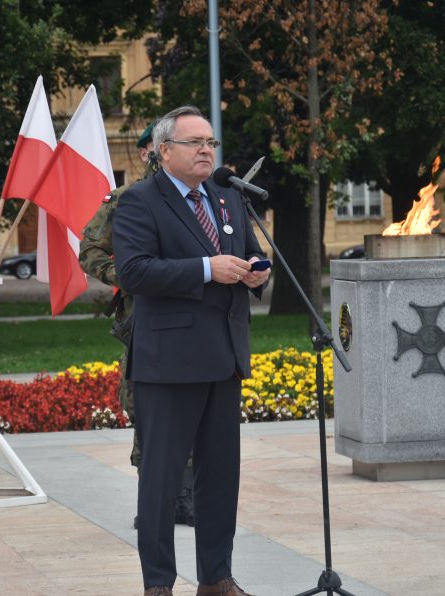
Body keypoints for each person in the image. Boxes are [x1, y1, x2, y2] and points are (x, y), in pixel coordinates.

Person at [112, 106, 270, 596]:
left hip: (223, 357)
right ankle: (158, 584)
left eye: (211, 143)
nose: (207, 151)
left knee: (220, 477)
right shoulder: (139, 201)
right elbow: (134, 272)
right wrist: (206, 268)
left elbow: (242, 257)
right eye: (195, 142)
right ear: (165, 152)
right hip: (169, 363)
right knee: (161, 481)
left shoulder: (226, 196)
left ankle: (216, 577)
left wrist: (255, 273)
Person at [79, 123, 196, 527]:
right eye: (153, 149)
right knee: (147, 411)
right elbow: (90, 249)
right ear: (150, 153)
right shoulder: (129, 201)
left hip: (196, 324)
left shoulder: (200, 200)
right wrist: (127, 275)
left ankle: (188, 497)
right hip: (145, 324)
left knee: (194, 409)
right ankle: (156, 502)